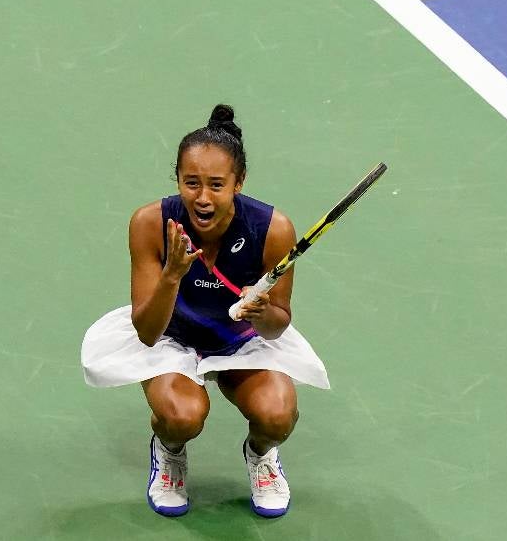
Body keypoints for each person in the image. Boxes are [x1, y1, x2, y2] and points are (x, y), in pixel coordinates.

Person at [80, 104, 330, 519]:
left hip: (240, 341)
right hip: (171, 335)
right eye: (190, 183)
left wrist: (261, 311)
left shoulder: (272, 229)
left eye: (216, 185)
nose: (202, 197)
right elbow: (145, 331)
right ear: (177, 179)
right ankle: (169, 451)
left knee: (278, 414)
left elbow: (276, 327)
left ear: (239, 182)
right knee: (183, 416)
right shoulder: (149, 223)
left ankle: (262, 456)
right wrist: (172, 276)